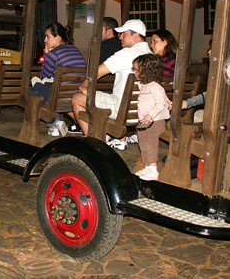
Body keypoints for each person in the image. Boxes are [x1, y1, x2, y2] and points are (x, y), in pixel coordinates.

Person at [70, 19, 152, 146]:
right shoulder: (151, 55)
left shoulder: (127, 54)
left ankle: (92, 141)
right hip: (144, 111)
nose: (120, 37)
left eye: (124, 33)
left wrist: (84, 86)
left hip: (123, 111)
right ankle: (111, 138)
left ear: (135, 34)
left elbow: (96, 72)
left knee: (77, 99)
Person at [29, 23, 87, 137]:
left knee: (34, 91)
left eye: (48, 36)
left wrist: (47, 56)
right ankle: (69, 124)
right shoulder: (75, 49)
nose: (45, 40)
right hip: (76, 94)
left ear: (58, 37)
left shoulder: (53, 54)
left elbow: (43, 76)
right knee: (49, 89)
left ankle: (54, 124)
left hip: (60, 97)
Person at [67, 17, 122, 135]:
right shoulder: (122, 47)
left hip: (99, 89)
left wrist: (83, 85)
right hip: (112, 88)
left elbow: (92, 70)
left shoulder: (104, 47)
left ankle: (86, 128)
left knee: (71, 93)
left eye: (100, 28)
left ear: (109, 30)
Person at [132, 53, 171, 181]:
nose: (135, 72)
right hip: (145, 121)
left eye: (137, 69)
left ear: (146, 71)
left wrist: (150, 115)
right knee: (142, 142)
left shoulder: (155, 86)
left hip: (155, 121)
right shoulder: (144, 85)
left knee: (150, 143)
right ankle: (147, 166)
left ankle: (153, 169)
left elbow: (160, 103)